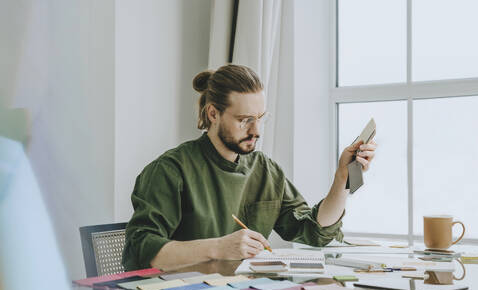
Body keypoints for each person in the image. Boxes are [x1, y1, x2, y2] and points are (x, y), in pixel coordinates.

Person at [122, 64, 377, 271]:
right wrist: (219, 248)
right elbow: (143, 251)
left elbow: (312, 232)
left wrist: (343, 178)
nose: (256, 131)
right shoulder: (170, 170)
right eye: (245, 121)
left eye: (260, 119)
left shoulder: (265, 170)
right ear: (213, 114)